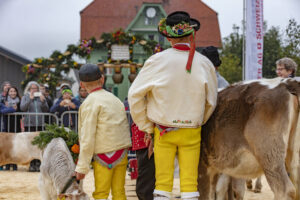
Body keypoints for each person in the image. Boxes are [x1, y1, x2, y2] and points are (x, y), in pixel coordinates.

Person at [128, 11, 218, 200]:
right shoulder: (204, 63)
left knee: (162, 184)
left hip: (162, 130)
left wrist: (146, 126)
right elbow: (211, 101)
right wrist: (199, 120)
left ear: (168, 37)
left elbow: (134, 95)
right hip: (191, 131)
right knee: (189, 184)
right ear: (191, 34)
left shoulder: (156, 61)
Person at [74, 64, 131, 200]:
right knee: (119, 192)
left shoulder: (88, 103)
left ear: (81, 84)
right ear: (103, 79)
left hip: (103, 154)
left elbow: (87, 136)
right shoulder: (116, 100)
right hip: (121, 152)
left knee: (101, 193)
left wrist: (82, 167)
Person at [20, 81, 49, 172]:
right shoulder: (25, 97)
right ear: (29, 89)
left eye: (36, 88)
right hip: (30, 124)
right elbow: (22, 108)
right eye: (32, 88)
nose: (34, 90)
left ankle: (39, 164)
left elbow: (46, 109)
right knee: (31, 145)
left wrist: (43, 101)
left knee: (40, 145)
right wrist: (30, 99)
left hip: (40, 124)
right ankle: (32, 164)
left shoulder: (40, 97)